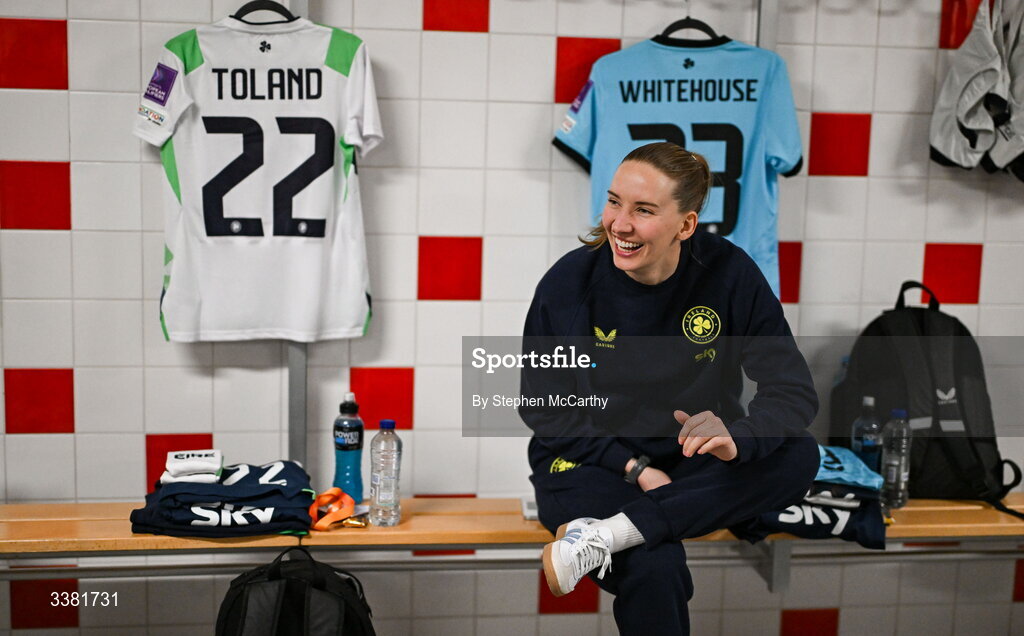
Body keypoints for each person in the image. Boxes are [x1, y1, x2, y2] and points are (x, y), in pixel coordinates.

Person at [519, 142, 820, 634]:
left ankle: (608, 534)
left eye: (643, 210)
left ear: (686, 224)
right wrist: (635, 469)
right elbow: (545, 410)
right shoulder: (569, 282)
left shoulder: (730, 274)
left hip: (690, 465)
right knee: (654, 567)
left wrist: (736, 438)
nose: (620, 224)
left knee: (800, 454)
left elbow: (793, 392)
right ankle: (626, 529)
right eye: (614, 202)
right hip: (591, 464)